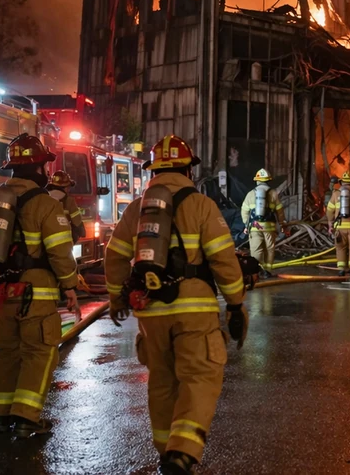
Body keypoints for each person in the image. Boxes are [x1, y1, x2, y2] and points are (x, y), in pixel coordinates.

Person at [103, 135, 248, 475]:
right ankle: (182, 454)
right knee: (198, 377)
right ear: (187, 168)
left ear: (153, 169)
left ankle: (165, 451)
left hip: (150, 310)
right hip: (194, 309)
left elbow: (114, 256)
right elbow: (224, 261)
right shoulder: (201, 205)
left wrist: (115, 298)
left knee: (162, 381)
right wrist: (236, 305)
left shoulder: (137, 209)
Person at [0, 134, 80, 438]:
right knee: (39, 352)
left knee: (8, 352)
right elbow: (60, 251)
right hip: (36, 295)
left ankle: (0, 417)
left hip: (0, 293)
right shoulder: (44, 204)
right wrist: (70, 286)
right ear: (38, 168)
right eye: (45, 166)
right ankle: (26, 419)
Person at [240, 168, 285, 277]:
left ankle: (256, 272)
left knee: (256, 249)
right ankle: (267, 271)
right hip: (270, 228)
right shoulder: (274, 193)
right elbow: (279, 211)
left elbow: (244, 211)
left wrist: (246, 224)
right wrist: (282, 224)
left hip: (255, 227)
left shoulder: (250, 194)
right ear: (268, 180)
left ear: (257, 181)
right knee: (269, 249)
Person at [47, 170, 86, 241]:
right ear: (66, 188)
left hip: (46, 241)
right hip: (64, 242)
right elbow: (77, 223)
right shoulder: (69, 201)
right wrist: (81, 232)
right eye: (68, 187)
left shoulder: (43, 198)